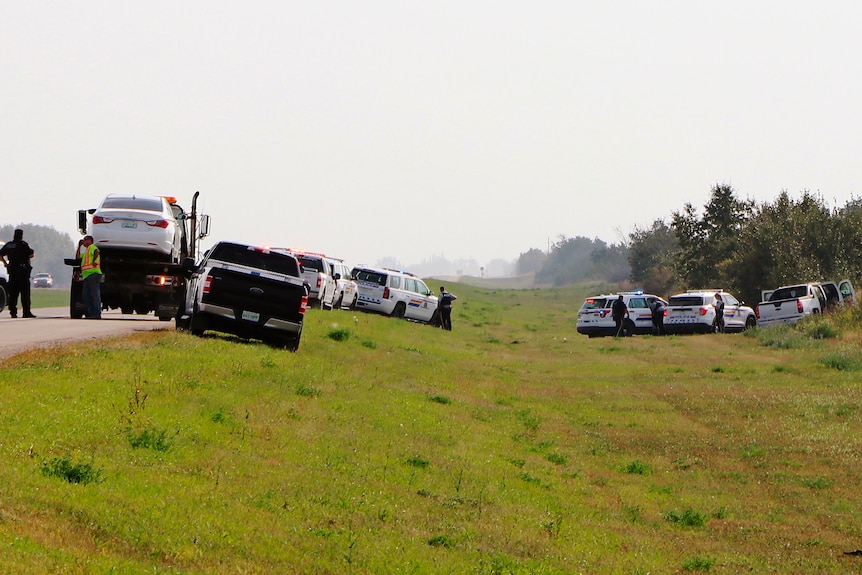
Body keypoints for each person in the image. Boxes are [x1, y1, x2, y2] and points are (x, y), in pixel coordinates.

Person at [0, 228, 36, 318]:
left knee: (13, 293)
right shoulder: (23, 245)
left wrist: (5, 263)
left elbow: (0, 254)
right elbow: (31, 255)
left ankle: (13, 312)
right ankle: (26, 312)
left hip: (12, 271)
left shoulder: (9, 245)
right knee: (25, 293)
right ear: (21, 235)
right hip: (23, 272)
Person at [80, 235, 103, 319]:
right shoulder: (86, 251)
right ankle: (92, 313)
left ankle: (96, 314)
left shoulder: (92, 247)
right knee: (86, 295)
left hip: (93, 273)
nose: (83, 242)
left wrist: (95, 261)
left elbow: (97, 251)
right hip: (87, 275)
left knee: (95, 294)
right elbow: (78, 257)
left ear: (90, 241)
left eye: (85, 240)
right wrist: (79, 247)